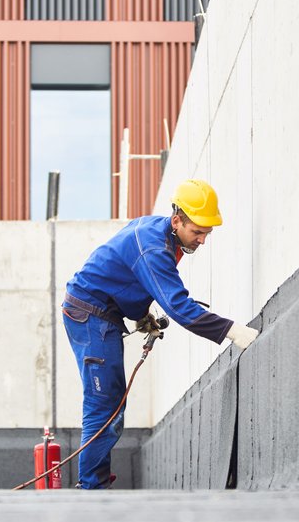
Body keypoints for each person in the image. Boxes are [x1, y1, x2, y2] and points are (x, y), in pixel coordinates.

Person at [61, 179, 259, 489]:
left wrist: (141, 316)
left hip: (101, 312)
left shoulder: (162, 234)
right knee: (105, 406)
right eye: (198, 232)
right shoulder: (154, 247)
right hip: (90, 315)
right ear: (177, 220)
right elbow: (178, 307)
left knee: (111, 406)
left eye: (208, 232)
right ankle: (91, 491)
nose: (203, 240)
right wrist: (231, 331)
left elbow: (129, 276)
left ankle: (92, 485)